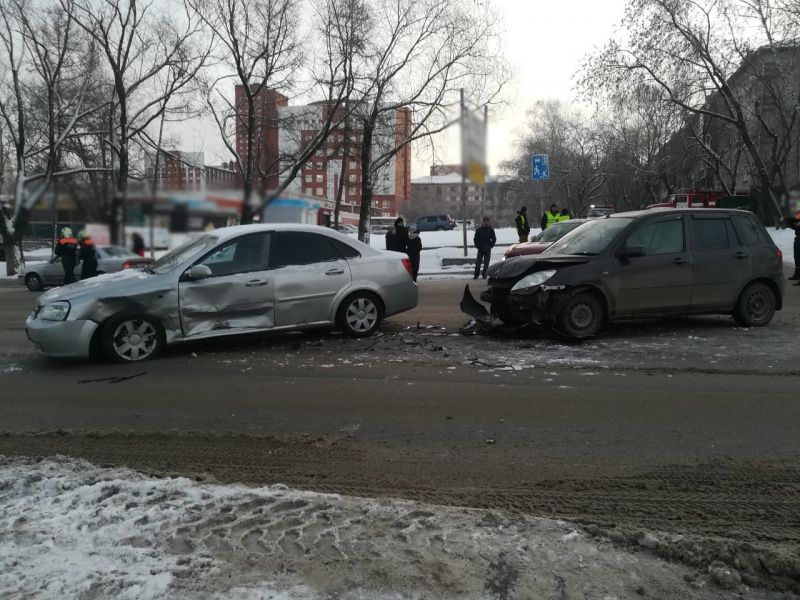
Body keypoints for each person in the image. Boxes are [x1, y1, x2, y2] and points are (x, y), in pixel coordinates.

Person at [786, 211, 800, 285]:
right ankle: (797, 274)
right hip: (798, 238)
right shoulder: (798, 214)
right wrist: (789, 221)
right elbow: (795, 227)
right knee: (797, 257)